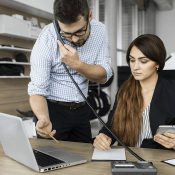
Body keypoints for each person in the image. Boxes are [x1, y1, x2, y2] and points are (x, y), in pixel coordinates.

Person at [28, 0, 113, 143]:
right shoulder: (46, 38)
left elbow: (104, 76)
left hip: (82, 109)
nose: (74, 39)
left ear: (90, 15)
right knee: (52, 162)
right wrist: (43, 118)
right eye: (67, 34)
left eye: (80, 31)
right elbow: (37, 90)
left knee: (85, 159)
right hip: (52, 111)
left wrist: (77, 64)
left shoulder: (100, 31)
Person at [93, 34, 175, 150]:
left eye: (143, 61)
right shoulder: (125, 90)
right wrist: (103, 136)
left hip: (161, 160)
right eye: (132, 60)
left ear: (157, 63)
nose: (135, 67)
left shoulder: (171, 91)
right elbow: (113, 125)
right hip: (129, 159)